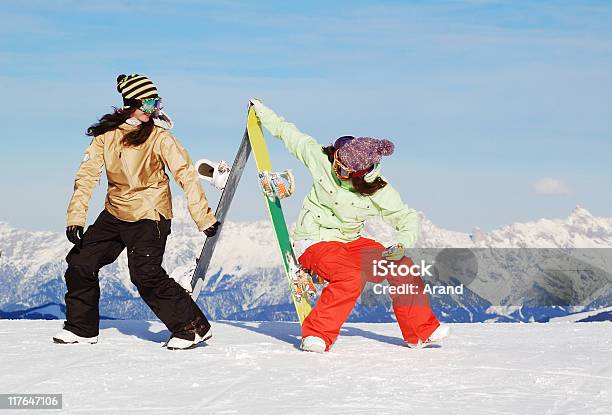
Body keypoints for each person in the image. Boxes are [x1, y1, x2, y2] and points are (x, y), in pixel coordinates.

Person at [250, 99, 449, 352]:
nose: (336, 170)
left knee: (401, 266)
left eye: (343, 171)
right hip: (314, 239)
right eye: (336, 162)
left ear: (360, 175)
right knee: (350, 277)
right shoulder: (323, 161)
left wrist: (402, 243)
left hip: (351, 242)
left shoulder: (377, 190)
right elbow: (290, 134)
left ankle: (420, 332)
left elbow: (406, 216)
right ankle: (318, 334)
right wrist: (261, 112)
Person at [53, 74, 219, 350]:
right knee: (80, 263)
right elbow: (86, 176)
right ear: (131, 103)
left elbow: (186, 175)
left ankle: (193, 327)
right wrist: (76, 218)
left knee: (144, 273)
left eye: (156, 102)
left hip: (149, 213)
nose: (154, 108)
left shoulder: (159, 138)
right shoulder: (106, 138)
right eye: (149, 102)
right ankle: (81, 329)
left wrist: (203, 217)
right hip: (115, 212)